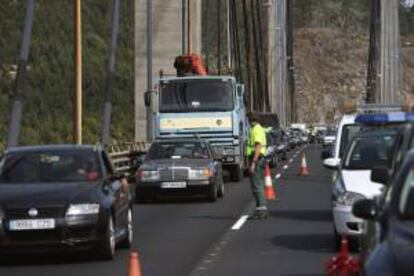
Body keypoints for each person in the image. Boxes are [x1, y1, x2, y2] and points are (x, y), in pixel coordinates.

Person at [247, 112, 268, 219]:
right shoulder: (258, 129)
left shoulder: (256, 130)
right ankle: (260, 209)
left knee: (257, 186)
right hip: (259, 159)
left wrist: (253, 163)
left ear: (251, 120)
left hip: (257, 159)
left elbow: (257, 146)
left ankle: (261, 211)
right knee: (258, 185)